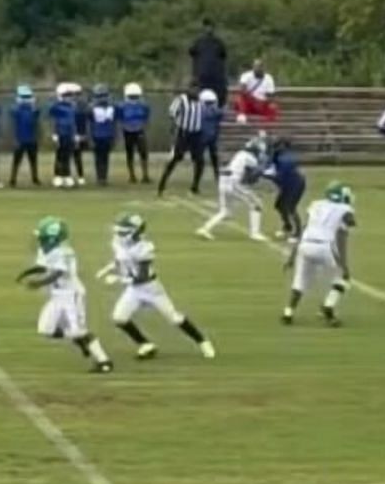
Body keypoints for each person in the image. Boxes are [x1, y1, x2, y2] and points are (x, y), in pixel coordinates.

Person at [100, 213, 217, 361]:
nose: (119, 234)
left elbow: (142, 276)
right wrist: (109, 268)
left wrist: (118, 279)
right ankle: (145, 344)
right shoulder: (117, 241)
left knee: (174, 318)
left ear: (135, 232)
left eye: (123, 231)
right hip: (133, 290)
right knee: (119, 318)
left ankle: (203, 341)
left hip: (151, 289)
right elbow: (121, 259)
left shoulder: (144, 247)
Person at [16, 217, 113, 374]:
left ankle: (104, 361)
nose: (39, 239)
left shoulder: (64, 252)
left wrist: (38, 283)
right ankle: (81, 340)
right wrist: (27, 273)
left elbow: (57, 272)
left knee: (78, 331)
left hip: (71, 294)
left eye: (42, 236)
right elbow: (43, 266)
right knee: (46, 330)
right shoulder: (46, 249)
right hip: (57, 295)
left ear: (53, 238)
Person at [281, 183, 356, 327]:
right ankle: (328, 306)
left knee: (300, 280)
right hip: (325, 246)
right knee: (342, 278)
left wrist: (292, 256)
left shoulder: (316, 205)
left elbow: (304, 229)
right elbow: (342, 237)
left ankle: (288, 312)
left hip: (305, 244)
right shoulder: (345, 210)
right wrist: (344, 264)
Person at [198, 131, 269, 241]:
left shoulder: (240, 154)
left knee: (225, 211)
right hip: (232, 183)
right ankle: (255, 233)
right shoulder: (249, 158)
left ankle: (205, 228)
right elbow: (259, 169)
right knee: (256, 204)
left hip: (223, 182)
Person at [157, 81, 205, 196]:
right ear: (189, 89)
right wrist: (174, 127)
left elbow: (202, 115)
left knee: (200, 161)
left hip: (196, 134)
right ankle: (162, 185)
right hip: (184, 133)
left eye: (197, 89)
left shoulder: (200, 100)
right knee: (175, 159)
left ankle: (195, 186)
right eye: (193, 89)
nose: (196, 92)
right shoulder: (181, 100)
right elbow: (172, 113)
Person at [264, 137, 308, 240]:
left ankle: (298, 233)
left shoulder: (287, 158)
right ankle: (287, 227)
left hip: (295, 184)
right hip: (288, 183)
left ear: (283, 146)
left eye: (277, 146)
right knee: (279, 205)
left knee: (290, 208)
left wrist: (265, 175)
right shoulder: (279, 156)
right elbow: (270, 165)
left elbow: (279, 178)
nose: (275, 148)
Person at [47, 83, 81, 188]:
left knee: (67, 156)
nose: (68, 97)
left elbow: (73, 122)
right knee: (59, 156)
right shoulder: (56, 106)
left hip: (69, 134)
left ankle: (67, 175)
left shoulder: (72, 107)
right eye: (66, 95)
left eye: (69, 95)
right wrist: (54, 133)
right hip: (60, 133)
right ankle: (58, 176)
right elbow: (52, 117)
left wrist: (75, 134)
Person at [118, 82, 151, 183]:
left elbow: (146, 118)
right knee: (130, 153)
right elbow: (120, 118)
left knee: (143, 153)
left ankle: (145, 175)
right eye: (131, 96)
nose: (133, 98)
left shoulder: (144, 105)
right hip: (127, 131)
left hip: (139, 130)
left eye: (135, 96)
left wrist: (143, 127)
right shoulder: (122, 106)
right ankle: (132, 176)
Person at [188, 18, 228, 101]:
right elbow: (191, 53)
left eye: (210, 26)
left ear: (213, 28)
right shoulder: (198, 42)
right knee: (199, 100)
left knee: (216, 100)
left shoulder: (218, 43)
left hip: (215, 79)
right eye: (207, 26)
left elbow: (223, 57)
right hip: (201, 78)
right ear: (204, 28)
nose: (209, 28)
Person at [9, 84, 41, 188]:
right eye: (24, 97)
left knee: (33, 160)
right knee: (17, 160)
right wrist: (19, 104)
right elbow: (13, 112)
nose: (26, 99)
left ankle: (35, 178)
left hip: (32, 138)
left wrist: (33, 104)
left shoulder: (33, 109)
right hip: (20, 139)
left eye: (28, 97)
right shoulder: (17, 109)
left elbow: (37, 113)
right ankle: (13, 179)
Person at [88, 84, 118, 186]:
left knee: (105, 157)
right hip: (97, 135)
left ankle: (104, 177)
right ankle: (99, 177)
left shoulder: (112, 107)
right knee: (98, 157)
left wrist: (114, 136)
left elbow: (114, 123)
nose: (102, 98)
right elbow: (90, 124)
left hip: (107, 135)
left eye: (104, 95)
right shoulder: (91, 108)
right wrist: (90, 138)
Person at [235, 58, 278, 123]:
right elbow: (242, 90)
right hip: (249, 102)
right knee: (240, 98)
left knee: (273, 108)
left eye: (259, 66)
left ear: (263, 68)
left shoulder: (269, 78)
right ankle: (242, 115)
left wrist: (267, 101)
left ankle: (263, 128)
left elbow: (270, 95)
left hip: (261, 104)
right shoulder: (246, 75)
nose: (257, 68)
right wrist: (254, 100)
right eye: (255, 66)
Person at [196, 87, 223, 182]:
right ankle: (217, 175)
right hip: (211, 137)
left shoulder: (200, 111)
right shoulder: (216, 111)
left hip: (203, 137)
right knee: (213, 158)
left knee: (201, 159)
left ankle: (198, 180)